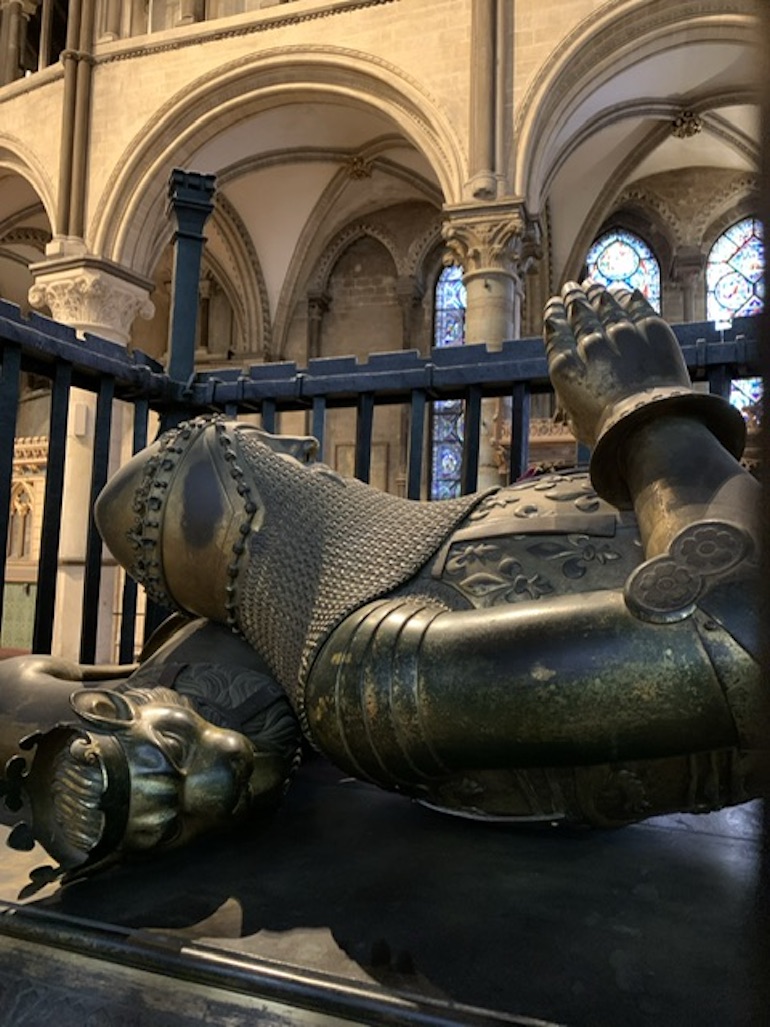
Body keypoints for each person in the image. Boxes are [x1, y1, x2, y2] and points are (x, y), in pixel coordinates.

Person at [3, 281, 766, 882]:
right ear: (246, 475)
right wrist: (649, 409)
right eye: (241, 440)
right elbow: (730, 639)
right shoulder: (358, 664)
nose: (296, 440)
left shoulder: (374, 603)